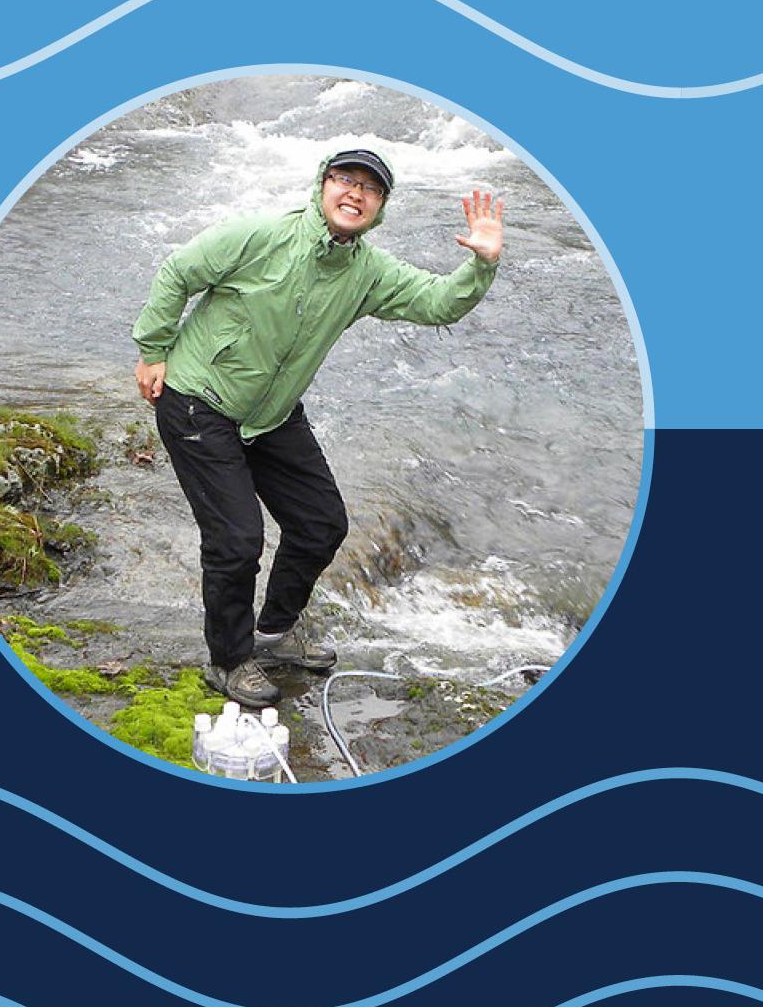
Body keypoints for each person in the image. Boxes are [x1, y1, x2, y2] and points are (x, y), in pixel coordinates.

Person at [131, 149, 504, 706]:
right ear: (321, 185)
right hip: (197, 400)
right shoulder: (260, 236)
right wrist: (153, 349)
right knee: (237, 541)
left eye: (369, 189)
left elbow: (437, 303)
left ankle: (275, 634)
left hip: (271, 414)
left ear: (379, 209)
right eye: (344, 180)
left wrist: (482, 264)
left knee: (321, 524)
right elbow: (178, 272)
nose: (354, 193)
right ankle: (229, 660)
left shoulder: (368, 272)